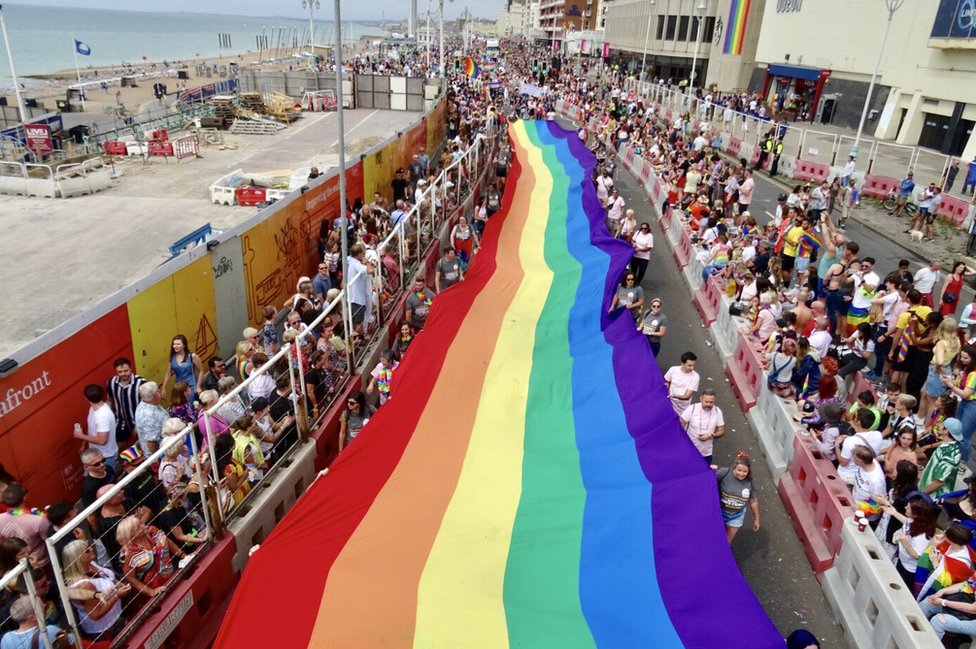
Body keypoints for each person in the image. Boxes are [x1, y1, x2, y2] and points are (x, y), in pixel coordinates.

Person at [61, 540, 129, 640]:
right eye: (87, 550)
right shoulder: (84, 585)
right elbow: (95, 614)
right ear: (78, 559)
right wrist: (117, 596)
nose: (91, 549)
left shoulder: (90, 564)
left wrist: (118, 584)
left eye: (89, 547)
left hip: (117, 616)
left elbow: (109, 577)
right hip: (105, 629)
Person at [117, 515, 186, 598]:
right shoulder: (127, 554)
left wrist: (183, 555)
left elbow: (167, 541)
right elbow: (131, 579)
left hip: (172, 577)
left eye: (141, 523)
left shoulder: (152, 530)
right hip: (155, 593)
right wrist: (151, 592)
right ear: (131, 535)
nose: (143, 526)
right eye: (138, 527)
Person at [714, 452, 760, 544]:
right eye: (739, 470)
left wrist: (757, 519)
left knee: (726, 543)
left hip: (736, 516)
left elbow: (753, 502)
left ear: (749, 471)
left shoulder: (750, 482)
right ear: (734, 467)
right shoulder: (725, 473)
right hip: (719, 513)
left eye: (745, 472)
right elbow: (708, 480)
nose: (741, 474)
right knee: (714, 539)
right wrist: (711, 470)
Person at [0, 595, 74, 649]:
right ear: (32, 617)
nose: (45, 605)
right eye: (41, 606)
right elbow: (75, 641)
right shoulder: (48, 631)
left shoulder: (6, 639)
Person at [74, 384, 119, 470]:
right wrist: (84, 444)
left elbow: (102, 441)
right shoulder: (93, 408)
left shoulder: (102, 416)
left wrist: (80, 436)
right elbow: (91, 428)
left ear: (86, 398)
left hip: (106, 458)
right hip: (97, 455)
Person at [920, 418, 964, 497]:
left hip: (932, 496)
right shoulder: (946, 444)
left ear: (946, 431)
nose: (939, 425)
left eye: (942, 425)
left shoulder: (950, 454)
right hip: (926, 488)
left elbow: (939, 482)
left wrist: (922, 493)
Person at [106, 357, 145, 445]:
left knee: (142, 446)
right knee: (117, 446)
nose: (123, 374)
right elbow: (109, 400)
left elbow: (147, 404)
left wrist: (139, 423)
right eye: (120, 372)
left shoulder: (141, 383)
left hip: (138, 421)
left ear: (131, 368)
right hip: (120, 422)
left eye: (126, 371)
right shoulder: (111, 382)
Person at [680, 389, 725, 464]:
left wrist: (711, 435)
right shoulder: (692, 408)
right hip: (688, 450)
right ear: (701, 399)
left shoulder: (717, 411)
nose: (708, 404)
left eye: (711, 402)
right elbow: (680, 425)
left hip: (706, 453)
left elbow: (722, 430)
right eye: (706, 402)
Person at [161, 334, 203, 402]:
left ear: (184, 345)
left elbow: (201, 371)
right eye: (174, 344)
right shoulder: (172, 357)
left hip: (191, 386)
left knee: (191, 406)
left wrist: (198, 386)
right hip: (178, 388)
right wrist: (163, 388)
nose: (175, 346)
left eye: (178, 344)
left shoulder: (192, 356)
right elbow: (168, 373)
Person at [134, 381, 168, 455]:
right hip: (162, 453)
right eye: (158, 390)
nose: (160, 390)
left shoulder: (146, 402)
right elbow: (151, 443)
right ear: (154, 396)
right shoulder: (149, 417)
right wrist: (158, 460)